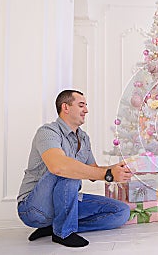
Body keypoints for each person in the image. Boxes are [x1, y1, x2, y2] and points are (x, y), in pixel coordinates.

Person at [17, 89, 133, 248]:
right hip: (33, 207)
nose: (86, 110)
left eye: (86, 105)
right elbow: (58, 167)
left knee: (121, 212)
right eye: (81, 105)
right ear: (65, 107)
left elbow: (93, 171)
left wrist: (114, 169)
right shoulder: (48, 132)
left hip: (64, 200)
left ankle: (55, 227)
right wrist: (106, 174)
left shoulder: (83, 138)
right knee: (68, 169)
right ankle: (64, 232)